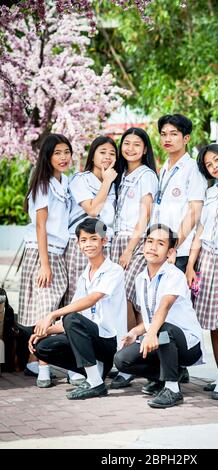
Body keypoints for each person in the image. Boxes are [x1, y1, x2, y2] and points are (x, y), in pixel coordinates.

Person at [29, 218, 127, 400]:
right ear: (78, 244)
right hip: (93, 342)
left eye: (93, 239)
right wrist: (45, 331)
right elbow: (75, 316)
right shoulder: (84, 276)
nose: (88, 244)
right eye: (83, 240)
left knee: (70, 318)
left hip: (110, 343)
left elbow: (91, 300)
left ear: (104, 241)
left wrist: (53, 314)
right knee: (42, 346)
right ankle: (93, 374)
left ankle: (96, 383)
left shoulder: (114, 270)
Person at [114, 224, 204, 409]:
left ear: (170, 251)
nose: (153, 247)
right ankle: (164, 376)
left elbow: (163, 307)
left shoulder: (175, 275)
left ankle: (173, 390)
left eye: (160, 243)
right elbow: (149, 319)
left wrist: (150, 333)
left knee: (163, 329)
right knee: (122, 360)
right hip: (161, 335)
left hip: (187, 344)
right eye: (149, 241)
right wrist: (135, 332)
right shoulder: (141, 279)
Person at [18, 134, 72, 386]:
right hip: (43, 252)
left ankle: (35, 361)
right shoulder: (43, 184)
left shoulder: (65, 182)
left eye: (66, 152)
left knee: (55, 306)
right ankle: (42, 367)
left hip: (59, 252)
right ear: (47, 157)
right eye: (57, 153)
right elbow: (41, 226)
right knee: (46, 309)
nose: (63, 157)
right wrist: (45, 264)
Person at [64, 136, 118, 385]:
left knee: (102, 303)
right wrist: (107, 181)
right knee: (79, 301)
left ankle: (98, 359)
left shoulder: (114, 182)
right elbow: (93, 211)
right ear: (93, 155)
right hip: (82, 245)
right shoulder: (81, 179)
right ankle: (77, 366)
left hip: (105, 245)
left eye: (111, 154)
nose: (107, 157)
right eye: (103, 152)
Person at [185, 144, 218, 398]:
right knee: (213, 325)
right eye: (209, 164)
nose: (215, 165)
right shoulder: (211, 193)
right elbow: (200, 232)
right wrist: (190, 265)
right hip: (207, 261)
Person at [109, 128, 158, 390]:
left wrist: (129, 249)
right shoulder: (122, 175)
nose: (130, 148)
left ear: (145, 149)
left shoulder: (146, 175)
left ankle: (134, 360)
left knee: (129, 297)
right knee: (128, 299)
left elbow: (145, 214)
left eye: (136, 144)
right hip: (118, 239)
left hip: (135, 241)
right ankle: (134, 359)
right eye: (126, 144)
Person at [151, 114, 207, 273]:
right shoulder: (164, 169)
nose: (167, 138)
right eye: (163, 134)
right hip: (160, 248)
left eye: (174, 134)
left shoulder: (193, 169)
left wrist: (173, 247)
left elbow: (194, 212)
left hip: (179, 252)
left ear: (186, 138)